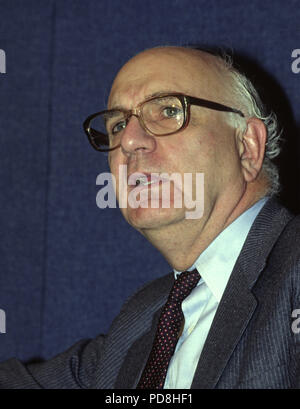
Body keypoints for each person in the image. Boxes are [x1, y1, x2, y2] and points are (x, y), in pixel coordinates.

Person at [0, 46, 299, 389]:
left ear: (247, 146)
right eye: (117, 125)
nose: (128, 140)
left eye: (169, 110)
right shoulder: (141, 323)